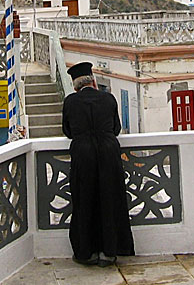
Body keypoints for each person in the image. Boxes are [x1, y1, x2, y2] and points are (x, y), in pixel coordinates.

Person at [62, 62, 134, 267]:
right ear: (93, 81)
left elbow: (67, 131)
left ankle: (86, 252)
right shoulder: (108, 98)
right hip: (109, 153)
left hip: (83, 154)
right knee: (110, 198)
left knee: (84, 200)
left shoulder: (70, 102)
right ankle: (111, 251)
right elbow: (116, 128)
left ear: (75, 86)